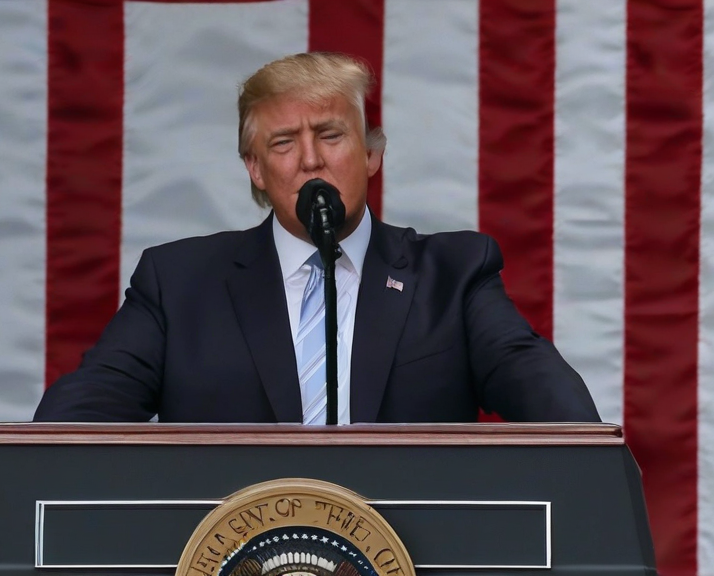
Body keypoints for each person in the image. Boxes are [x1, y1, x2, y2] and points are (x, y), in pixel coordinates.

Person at [33, 52, 600, 424]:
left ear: (372, 153)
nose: (310, 159)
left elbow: (545, 396)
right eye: (283, 143)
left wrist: (590, 454)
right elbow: (84, 408)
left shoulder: (452, 276)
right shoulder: (179, 284)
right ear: (255, 170)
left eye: (330, 134)